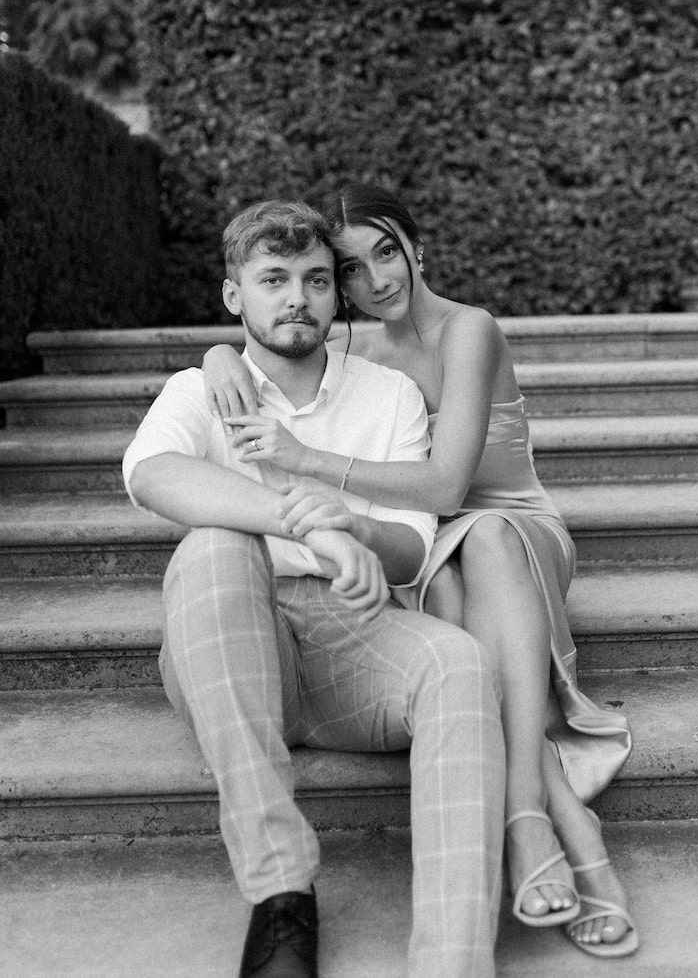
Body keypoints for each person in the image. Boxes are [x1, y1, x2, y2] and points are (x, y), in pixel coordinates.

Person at [203, 184, 638, 960]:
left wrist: (306, 459)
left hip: (513, 525)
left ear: (416, 249)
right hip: (435, 549)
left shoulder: (467, 329)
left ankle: (532, 819)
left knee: (486, 538)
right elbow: (265, 349)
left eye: (386, 252)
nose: (375, 280)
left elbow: (445, 489)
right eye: (350, 268)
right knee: (447, 601)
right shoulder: (353, 353)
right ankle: (571, 826)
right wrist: (213, 358)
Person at [122, 199, 507, 978]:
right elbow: (154, 475)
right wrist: (307, 527)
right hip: (230, 640)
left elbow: (407, 553)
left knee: (461, 663)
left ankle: (453, 962)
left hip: (350, 640)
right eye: (272, 279)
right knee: (212, 547)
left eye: (314, 279)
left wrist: (357, 530)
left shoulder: (387, 395)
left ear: (336, 296)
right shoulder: (199, 390)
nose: (295, 296)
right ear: (236, 296)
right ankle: (282, 899)